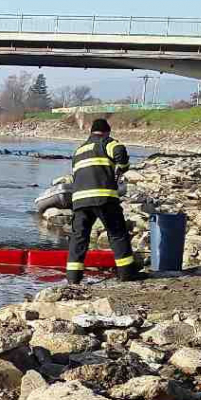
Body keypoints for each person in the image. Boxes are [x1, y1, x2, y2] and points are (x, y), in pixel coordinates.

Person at [66, 118, 138, 284]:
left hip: (79, 201)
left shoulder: (78, 151)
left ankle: (73, 279)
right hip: (104, 198)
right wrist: (122, 166)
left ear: (91, 132)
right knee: (117, 234)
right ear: (106, 132)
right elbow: (120, 151)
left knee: (79, 238)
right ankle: (127, 274)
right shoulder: (106, 143)